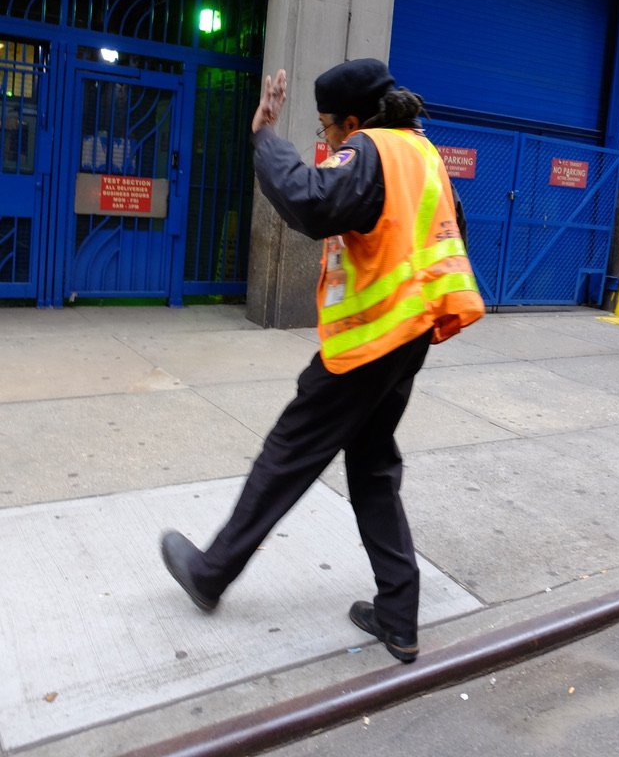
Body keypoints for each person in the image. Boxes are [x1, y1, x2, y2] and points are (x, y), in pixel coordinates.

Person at [160, 58, 484, 663]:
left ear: (353, 121)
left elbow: (311, 201)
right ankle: (398, 614)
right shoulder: (424, 154)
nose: (328, 140)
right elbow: (452, 228)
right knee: (371, 463)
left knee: (288, 453)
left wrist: (264, 136)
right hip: (409, 332)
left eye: (328, 128)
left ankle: (211, 572)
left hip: (371, 340)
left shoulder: (371, 151)